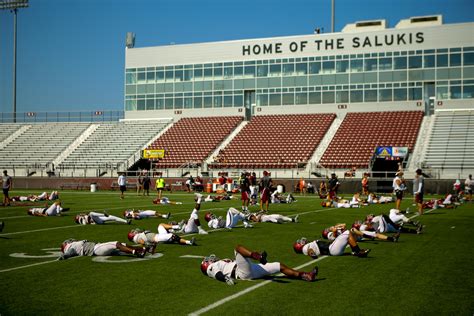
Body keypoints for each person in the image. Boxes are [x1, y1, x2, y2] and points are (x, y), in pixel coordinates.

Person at [201, 244, 318, 285]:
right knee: (237, 248)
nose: (210, 259)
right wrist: (225, 279)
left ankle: (306, 275)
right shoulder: (212, 268)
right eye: (208, 260)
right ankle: (258, 256)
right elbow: (218, 275)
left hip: (251, 268)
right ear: (207, 264)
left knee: (279, 266)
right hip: (241, 272)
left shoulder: (220, 262)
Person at [293, 228, 371, 259]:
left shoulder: (306, 247)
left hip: (332, 249)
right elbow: (310, 250)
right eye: (300, 242)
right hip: (332, 250)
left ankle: (356, 251)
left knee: (347, 236)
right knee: (347, 233)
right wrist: (312, 254)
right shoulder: (305, 248)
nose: (302, 241)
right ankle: (358, 251)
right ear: (299, 246)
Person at [58, 239, 147, 260]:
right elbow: (70, 253)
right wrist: (63, 256)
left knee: (122, 245)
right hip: (95, 249)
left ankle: (142, 249)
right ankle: (136, 253)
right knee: (116, 243)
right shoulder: (71, 247)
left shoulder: (73, 245)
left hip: (96, 248)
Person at [128, 226, 195, 249]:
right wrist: (149, 245)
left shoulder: (138, 235)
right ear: (132, 235)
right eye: (133, 233)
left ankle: (177, 226)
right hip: (158, 238)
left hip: (158, 235)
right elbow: (142, 242)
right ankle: (189, 242)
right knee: (174, 236)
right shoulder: (136, 238)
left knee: (160, 225)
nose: (135, 232)